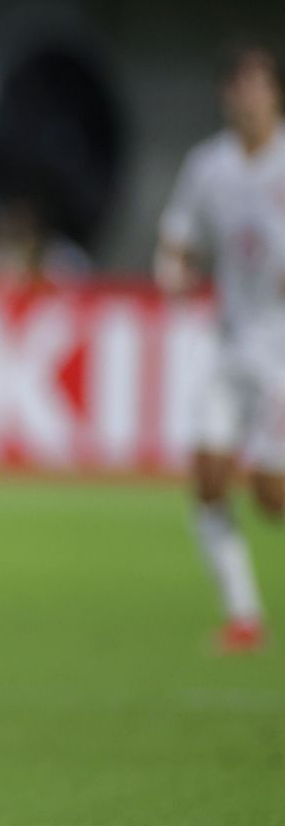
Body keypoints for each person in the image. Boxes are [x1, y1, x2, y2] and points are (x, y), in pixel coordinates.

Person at [155, 43, 285, 654]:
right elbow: (179, 236)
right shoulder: (209, 165)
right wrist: (174, 269)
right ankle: (244, 618)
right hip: (231, 341)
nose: (246, 95)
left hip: (283, 348)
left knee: (270, 495)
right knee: (207, 475)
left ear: (275, 94)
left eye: (256, 84)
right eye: (236, 84)